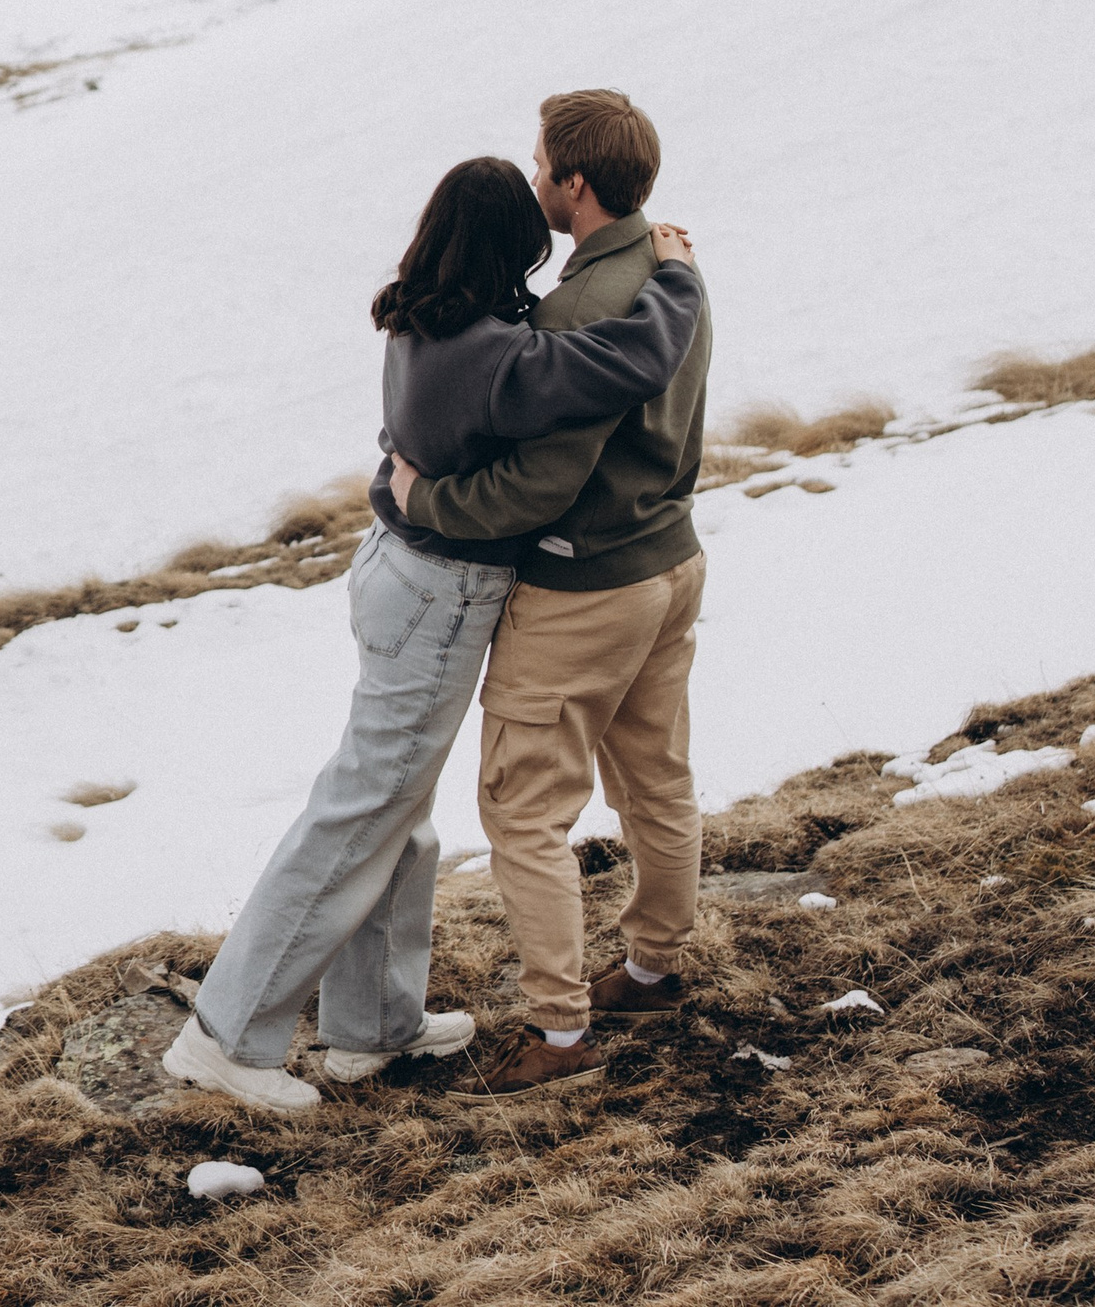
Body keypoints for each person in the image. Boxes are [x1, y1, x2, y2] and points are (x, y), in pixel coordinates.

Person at [164, 152, 706, 1111]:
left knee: (396, 812)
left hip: (400, 573)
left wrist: (401, 485)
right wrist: (675, 273)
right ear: (511, 245)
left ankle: (371, 1028)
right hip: (439, 591)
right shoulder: (501, 353)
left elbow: (412, 446)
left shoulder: (425, 310)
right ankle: (229, 1035)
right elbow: (634, 359)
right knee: (363, 808)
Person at [392, 88, 713, 1093]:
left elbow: (540, 482)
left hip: (586, 588)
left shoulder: (579, 309)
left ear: (572, 182)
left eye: (543, 164)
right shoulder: (673, 269)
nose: (536, 180)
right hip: (673, 562)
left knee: (523, 810)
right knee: (654, 776)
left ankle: (560, 1029)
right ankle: (652, 965)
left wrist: (424, 495)